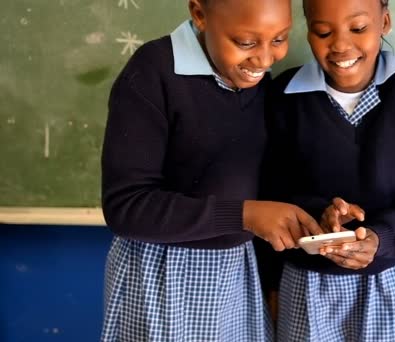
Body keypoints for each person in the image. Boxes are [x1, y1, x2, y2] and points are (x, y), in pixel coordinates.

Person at [99, 0, 323, 341]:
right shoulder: (153, 72)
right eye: (246, 42)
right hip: (161, 279)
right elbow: (126, 207)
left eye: (279, 39)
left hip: (235, 276)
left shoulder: (255, 79)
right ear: (199, 14)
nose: (264, 59)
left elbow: (259, 187)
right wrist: (244, 216)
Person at [260, 0, 395, 340]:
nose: (339, 45)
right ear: (307, 30)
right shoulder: (282, 97)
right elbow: (267, 198)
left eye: (358, 28)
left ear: (385, 21)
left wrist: (379, 239)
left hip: (388, 281)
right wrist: (272, 284)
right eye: (323, 31)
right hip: (304, 283)